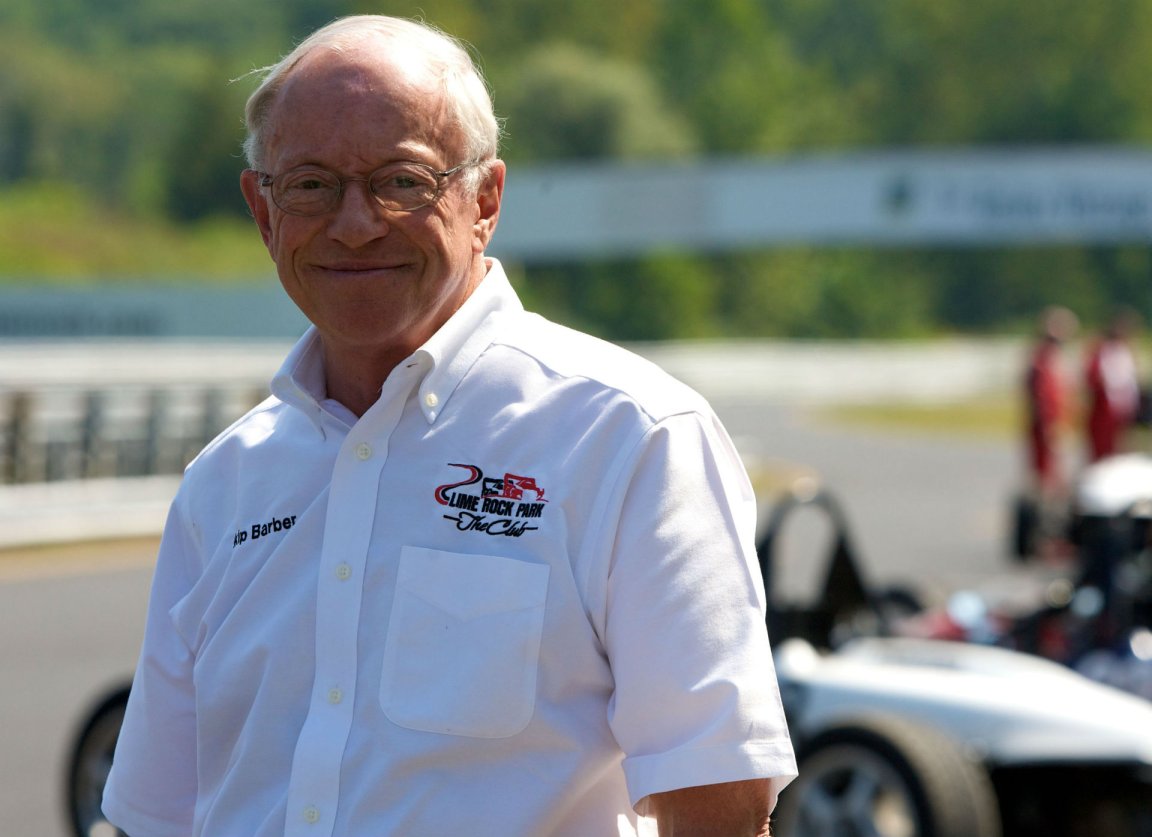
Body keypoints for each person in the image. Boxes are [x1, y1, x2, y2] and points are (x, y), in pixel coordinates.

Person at [102, 15, 796, 837]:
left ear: (485, 201)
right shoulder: (224, 483)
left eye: (401, 181)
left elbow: (718, 800)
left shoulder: (627, 436)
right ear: (263, 211)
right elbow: (157, 818)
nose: (355, 222)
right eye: (311, 185)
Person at [1084, 309, 1141, 463]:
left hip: (1123, 410)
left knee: (1120, 449)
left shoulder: (1126, 351)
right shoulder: (1102, 351)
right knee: (1103, 449)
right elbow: (1093, 379)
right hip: (1105, 408)